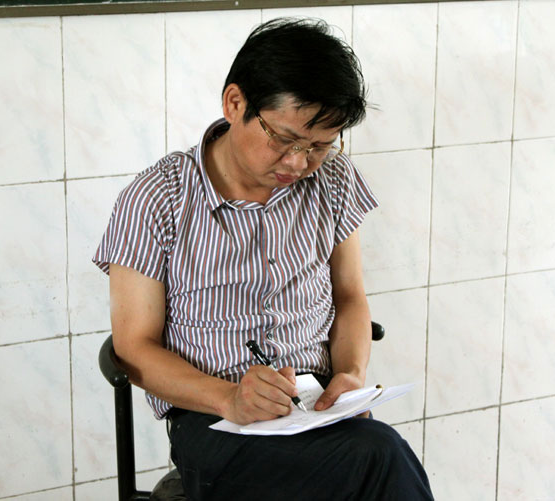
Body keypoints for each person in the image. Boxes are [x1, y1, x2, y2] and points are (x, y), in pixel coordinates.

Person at [94, 17, 434, 500]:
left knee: (371, 455)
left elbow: (350, 297)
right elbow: (133, 348)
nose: (299, 162)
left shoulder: (332, 179)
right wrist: (230, 397)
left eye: (319, 146)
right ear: (235, 103)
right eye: (284, 139)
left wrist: (351, 374)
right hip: (215, 420)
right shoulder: (157, 198)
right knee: (378, 458)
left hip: (315, 405)